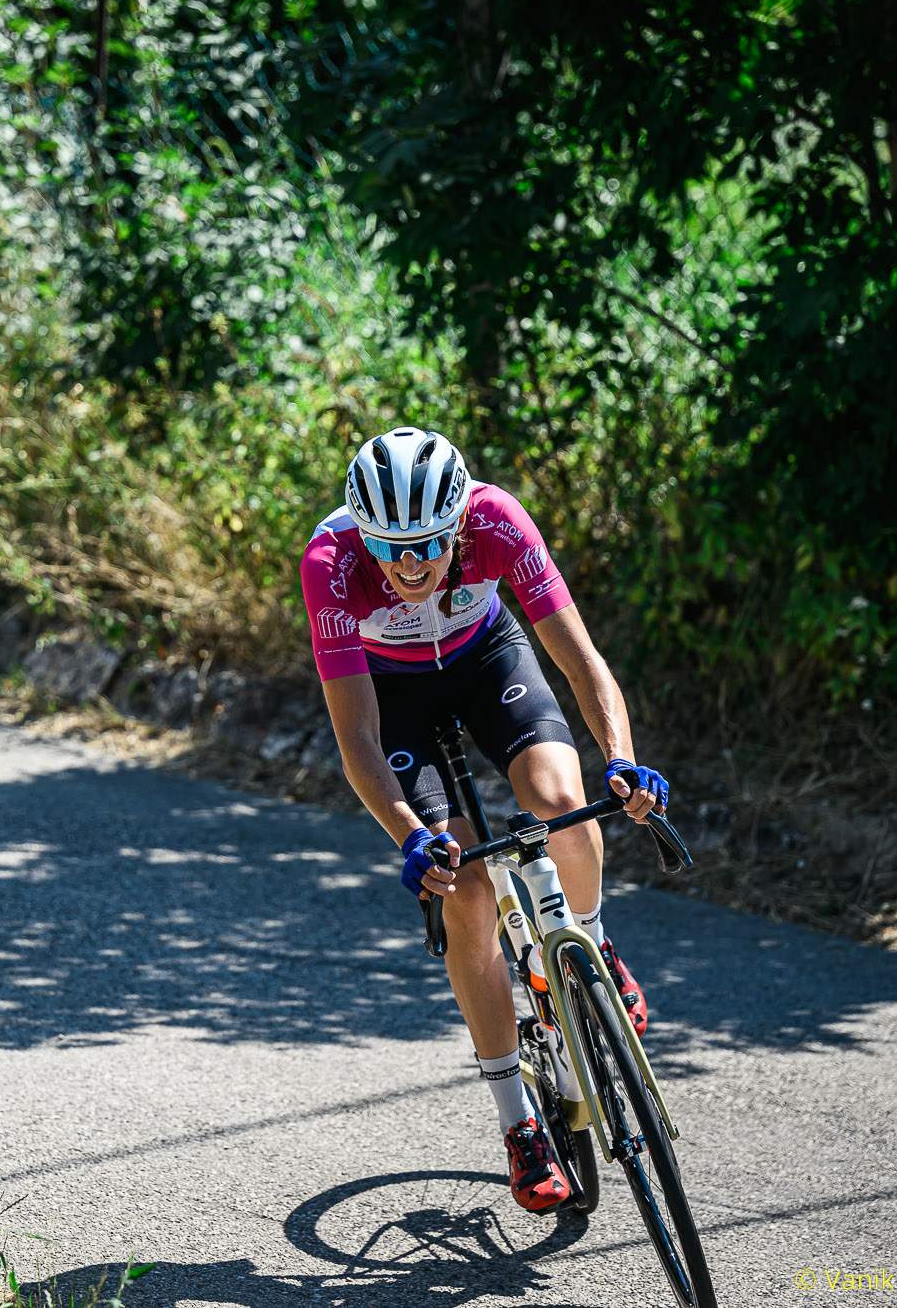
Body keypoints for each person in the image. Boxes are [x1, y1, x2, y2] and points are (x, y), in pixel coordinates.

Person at [300, 426, 671, 1214]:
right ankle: (519, 1123)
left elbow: (583, 663)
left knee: (562, 802)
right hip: (393, 696)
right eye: (390, 548)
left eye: (429, 546)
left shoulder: (497, 519)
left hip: (486, 658)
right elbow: (357, 737)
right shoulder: (331, 565)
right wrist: (411, 836)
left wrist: (621, 757)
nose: (410, 567)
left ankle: (592, 949)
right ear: (363, 534)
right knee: (465, 887)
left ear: (460, 524)